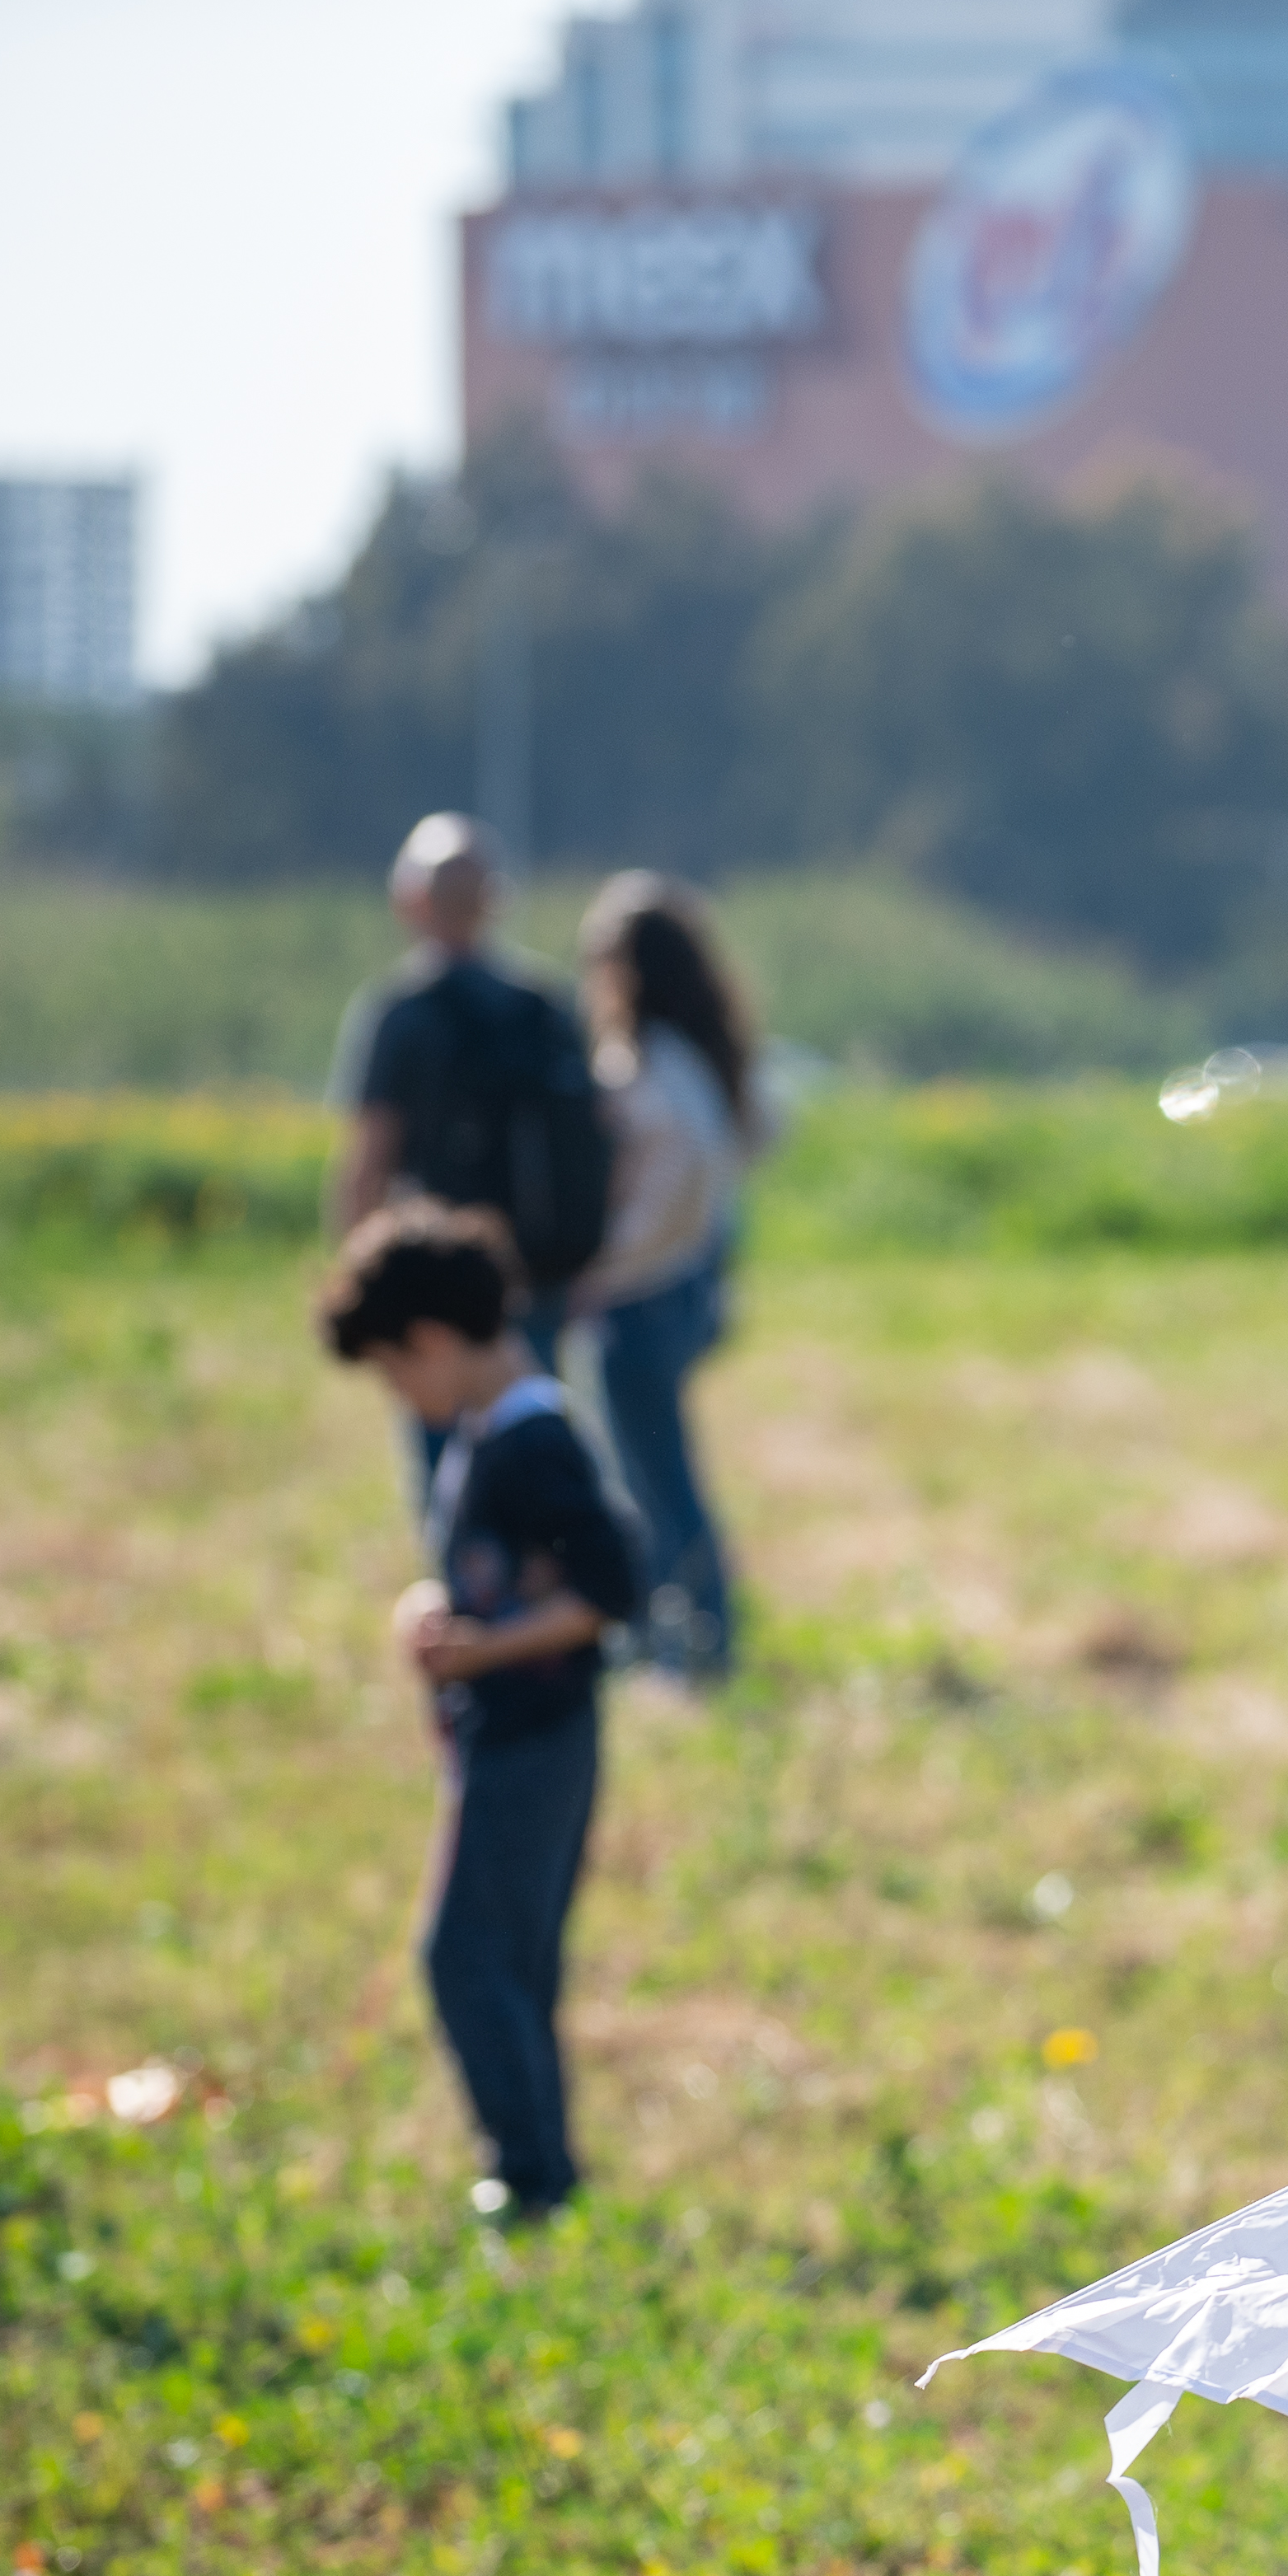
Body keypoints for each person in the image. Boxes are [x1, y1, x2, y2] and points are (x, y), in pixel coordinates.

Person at [318, 1203, 644, 2229]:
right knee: (512, 1956)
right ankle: (543, 2168)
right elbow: (504, 1576)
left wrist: (483, 1649)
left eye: (394, 1372)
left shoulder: (532, 1442)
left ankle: (530, 2177)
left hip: (538, 1741)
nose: (400, 1395)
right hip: (508, 1734)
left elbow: (611, 1586)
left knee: (465, 1956)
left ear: (433, 1340)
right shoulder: (483, 1431)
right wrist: (438, 1611)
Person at [328, 815, 609, 1480]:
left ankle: (466, 1578)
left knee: (447, 1465)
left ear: (411, 902)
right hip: (539, 1271)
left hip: (433, 1286)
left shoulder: (400, 1013)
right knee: (537, 1451)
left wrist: (360, 1284)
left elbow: (368, 1161)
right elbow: (598, 1143)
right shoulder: (545, 1005)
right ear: (495, 902)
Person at [568, 876, 770, 1681]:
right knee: (649, 1471)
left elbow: (676, 1183)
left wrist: (602, 1259)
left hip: (643, 1295)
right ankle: (667, 1635)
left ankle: (700, 1643)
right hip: (683, 1289)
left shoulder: (651, 1066)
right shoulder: (699, 1058)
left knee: (655, 1478)